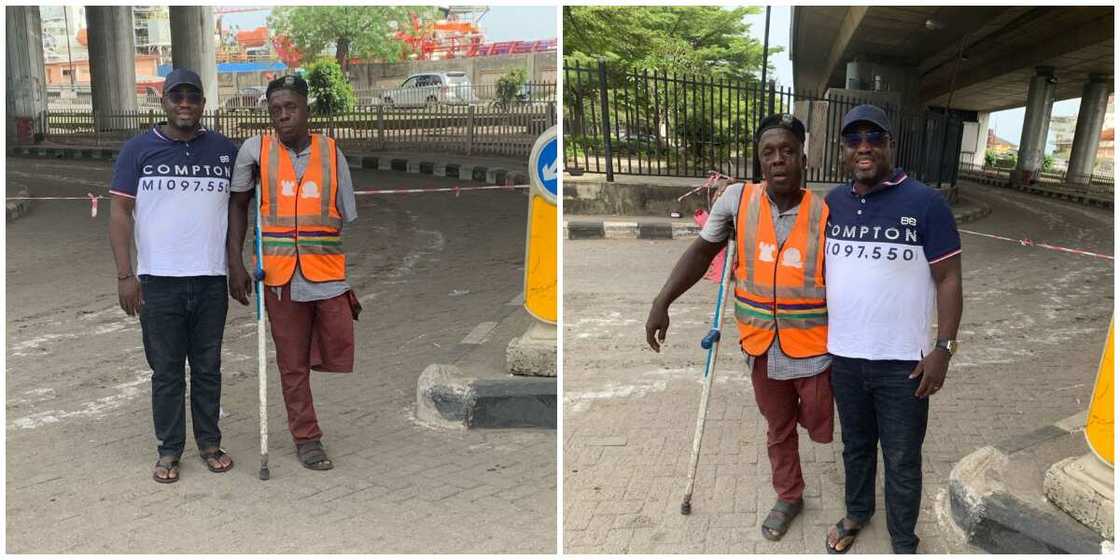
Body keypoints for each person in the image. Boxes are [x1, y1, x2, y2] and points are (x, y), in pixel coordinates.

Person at [645, 114, 832, 541]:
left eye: (787, 150)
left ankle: (809, 429)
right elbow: (700, 252)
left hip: (816, 345)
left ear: (803, 156)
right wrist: (663, 301)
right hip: (761, 342)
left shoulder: (826, 210)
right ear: (758, 160)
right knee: (777, 425)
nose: (778, 160)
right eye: (768, 152)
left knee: (821, 421)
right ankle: (789, 495)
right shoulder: (736, 201)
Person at [823, 104, 963, 554]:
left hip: (904, 362)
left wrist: (943, 347)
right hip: (844, 356)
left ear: (890, 145)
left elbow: (949, 278)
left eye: (874, 138)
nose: (864, 147)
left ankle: (904, 540)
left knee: (902, 458)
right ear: (844, 150)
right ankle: (856, 513)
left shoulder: (926, 203)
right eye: (854, 140)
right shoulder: (832, 203)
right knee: (856, 446)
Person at [109, 68, 239, 483]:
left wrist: (235, 263)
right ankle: (169, 450)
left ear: (203, 104)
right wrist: (125, 275)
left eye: (193, 97)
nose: (185, 103)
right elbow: (119, 213)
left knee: (207, 367)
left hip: (210, 280)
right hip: (158, 282)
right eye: (176, 96)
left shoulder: (224, 150)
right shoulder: (137, 150)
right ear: (163, 101)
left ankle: (209, 443)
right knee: (166, 371)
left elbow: (239, 208)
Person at [227, 75, 360, 471]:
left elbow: (345, 213)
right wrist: (235, 262)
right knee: (291, 362)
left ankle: (308, 422)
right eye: (275, 110)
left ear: (306, 109)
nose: (283, 116)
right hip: (279, 275)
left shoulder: (331, 152)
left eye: (291, 108)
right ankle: (307, 438)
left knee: (337, 343)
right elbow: (237, 206)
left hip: (326, 274)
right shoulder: (255, 150)